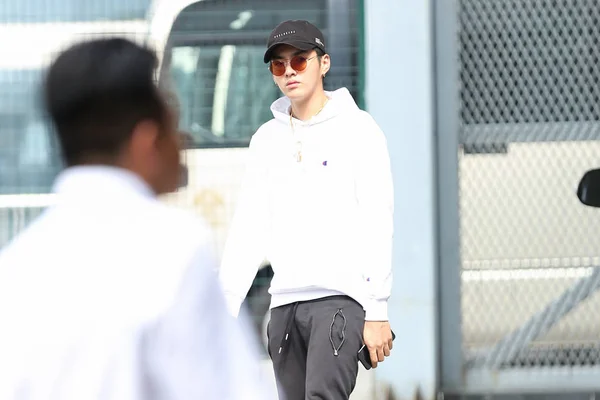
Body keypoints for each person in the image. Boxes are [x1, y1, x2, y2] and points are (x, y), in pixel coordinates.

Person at [0, 38, 276, 400]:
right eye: (174, 119)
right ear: (147, 141)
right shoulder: (174, 250)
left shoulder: (18, 264)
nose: (185, 139)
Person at [219, 19, 395, 399]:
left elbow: (377, 220)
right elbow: (249, 228)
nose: (289, 72)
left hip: (338, 300)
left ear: (324, 63)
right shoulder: (265, 139)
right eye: (278, 65)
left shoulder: (359, 130)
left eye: (299, 61)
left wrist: (377, 309)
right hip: (283, 305)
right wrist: (223, 310)